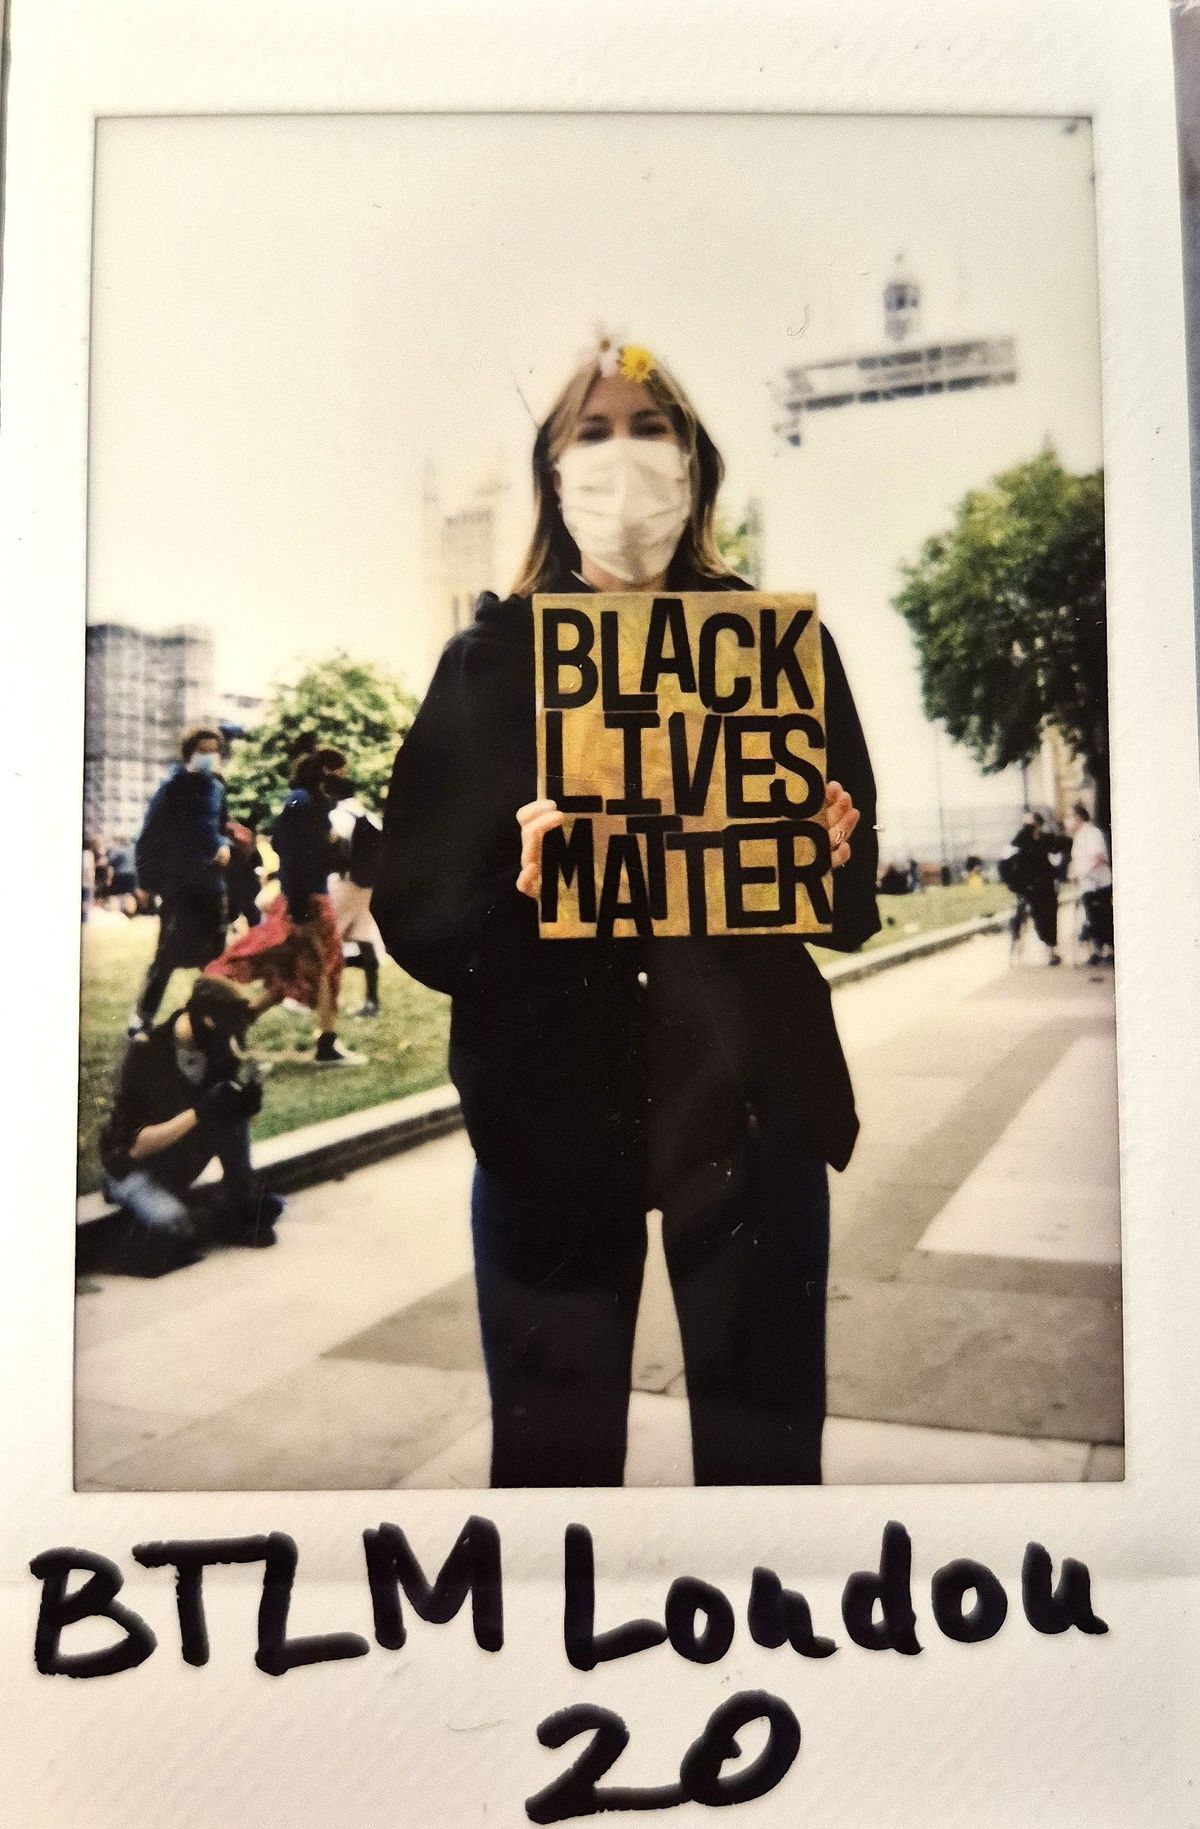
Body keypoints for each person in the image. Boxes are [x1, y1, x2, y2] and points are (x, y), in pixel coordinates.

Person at [373, 339, 878, 1488]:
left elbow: (848, 904)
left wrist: (834, 848)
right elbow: (418, 911)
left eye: (650, 426)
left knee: (766, 1468)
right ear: (552, 474)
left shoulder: (775, 650)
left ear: (695, 461)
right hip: (549, 1124)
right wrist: (518, 885)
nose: (623, 455)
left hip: (752, 1118)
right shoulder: (489, 663)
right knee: (552, 1472)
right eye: (591, 431)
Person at [99, 976, 283, 1276]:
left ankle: (242, 1202)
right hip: (131, 1168)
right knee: (173, 1226)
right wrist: (200, 1113)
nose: (227, 1040)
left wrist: (247, 1104)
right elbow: (134, 1147)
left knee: (232, 1114)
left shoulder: (215, 1046)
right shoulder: (147, 1053)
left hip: (177, 1160)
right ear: (206, 1020)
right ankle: (191, 1219)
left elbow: (228, 1119)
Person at [205, 746, 364, 1065]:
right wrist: (300, 906)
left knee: (292, 971)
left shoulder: (308, 802)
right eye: (340, 771)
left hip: (304, 897)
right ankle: (326, 1045)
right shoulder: (303, 802)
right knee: (325, 968)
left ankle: (242, 1020)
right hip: (308, 901)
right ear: (326, 770)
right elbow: (290, 852)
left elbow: (293, 846)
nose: (343, 778)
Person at [130, 726, 231, 1034]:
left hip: (212, 885)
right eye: (203, 751)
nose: (209, 756)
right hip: (180, 885)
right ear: (190, 753)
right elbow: (149, 836)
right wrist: (145, 883)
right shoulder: (172, 788)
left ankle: (208, 1018)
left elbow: (222, 826)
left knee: (214, 956)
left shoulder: (217, 788)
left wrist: (223, 845)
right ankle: (142, 1018)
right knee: (168, 954)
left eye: (214, 751)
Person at [328, 783, 386, 1018]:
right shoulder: (369, 816)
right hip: (367, 886)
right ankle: (372, 1000)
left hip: (344, 883)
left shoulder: (336, 816)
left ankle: (324, 999)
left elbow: (333, 853)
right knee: (365, 940)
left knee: (328, 940)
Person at [1006, 811, 1065, 964]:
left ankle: (1050, 949)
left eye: (1029, 824)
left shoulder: (1047, 839)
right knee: (1023, 915)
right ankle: (1017, 942)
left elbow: (1059, 853)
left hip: (1044, 885)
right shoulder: (1020, 840)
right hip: (1027, 886)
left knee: (1048, 915)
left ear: (1038, 825)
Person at [1067, 800, 1114, 965]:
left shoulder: (1092, 833)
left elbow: (1098, 857)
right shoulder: (1079, 836)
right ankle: (1097, 950)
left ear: (1078, 818)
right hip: (1087, 885)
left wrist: (1082, 872)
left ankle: (1107, 950)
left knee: (1101, 918)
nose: (1067, 821)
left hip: (1098, 884)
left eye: (1069, 816)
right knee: (1092, 917)